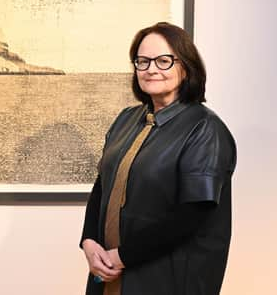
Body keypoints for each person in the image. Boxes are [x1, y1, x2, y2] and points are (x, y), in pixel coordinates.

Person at [80, 22, 236, 295]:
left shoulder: (205, 128)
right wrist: (89, 242)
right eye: (143, 61)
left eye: (163, 61)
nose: (151, 69)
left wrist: (122, 256)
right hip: (110, 276)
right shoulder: (126, 119)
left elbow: (192, 216)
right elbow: (102, 185)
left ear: (185, 67)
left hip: (167, 280)